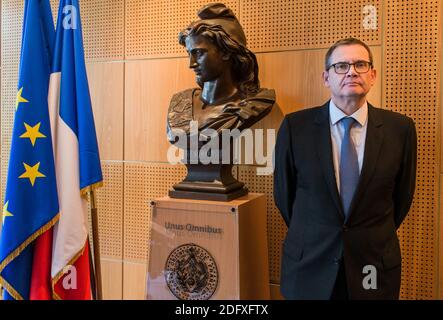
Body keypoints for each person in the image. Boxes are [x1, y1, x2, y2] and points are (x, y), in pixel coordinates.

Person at [273, 38, 417, 299]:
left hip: (372, 266)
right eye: (341, 66)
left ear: (372, 76)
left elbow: (402, 198)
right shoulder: (295, 127)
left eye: (360, 64)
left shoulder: (401, 129)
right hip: (310, 264)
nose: (351, 71)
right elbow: (285, 197)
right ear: (326, 77)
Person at [167, 2, 275, 143]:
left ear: (226, 51)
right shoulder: (180, 103)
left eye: (199, 53)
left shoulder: (255, 103)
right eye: (189, 54)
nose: (191, 64)